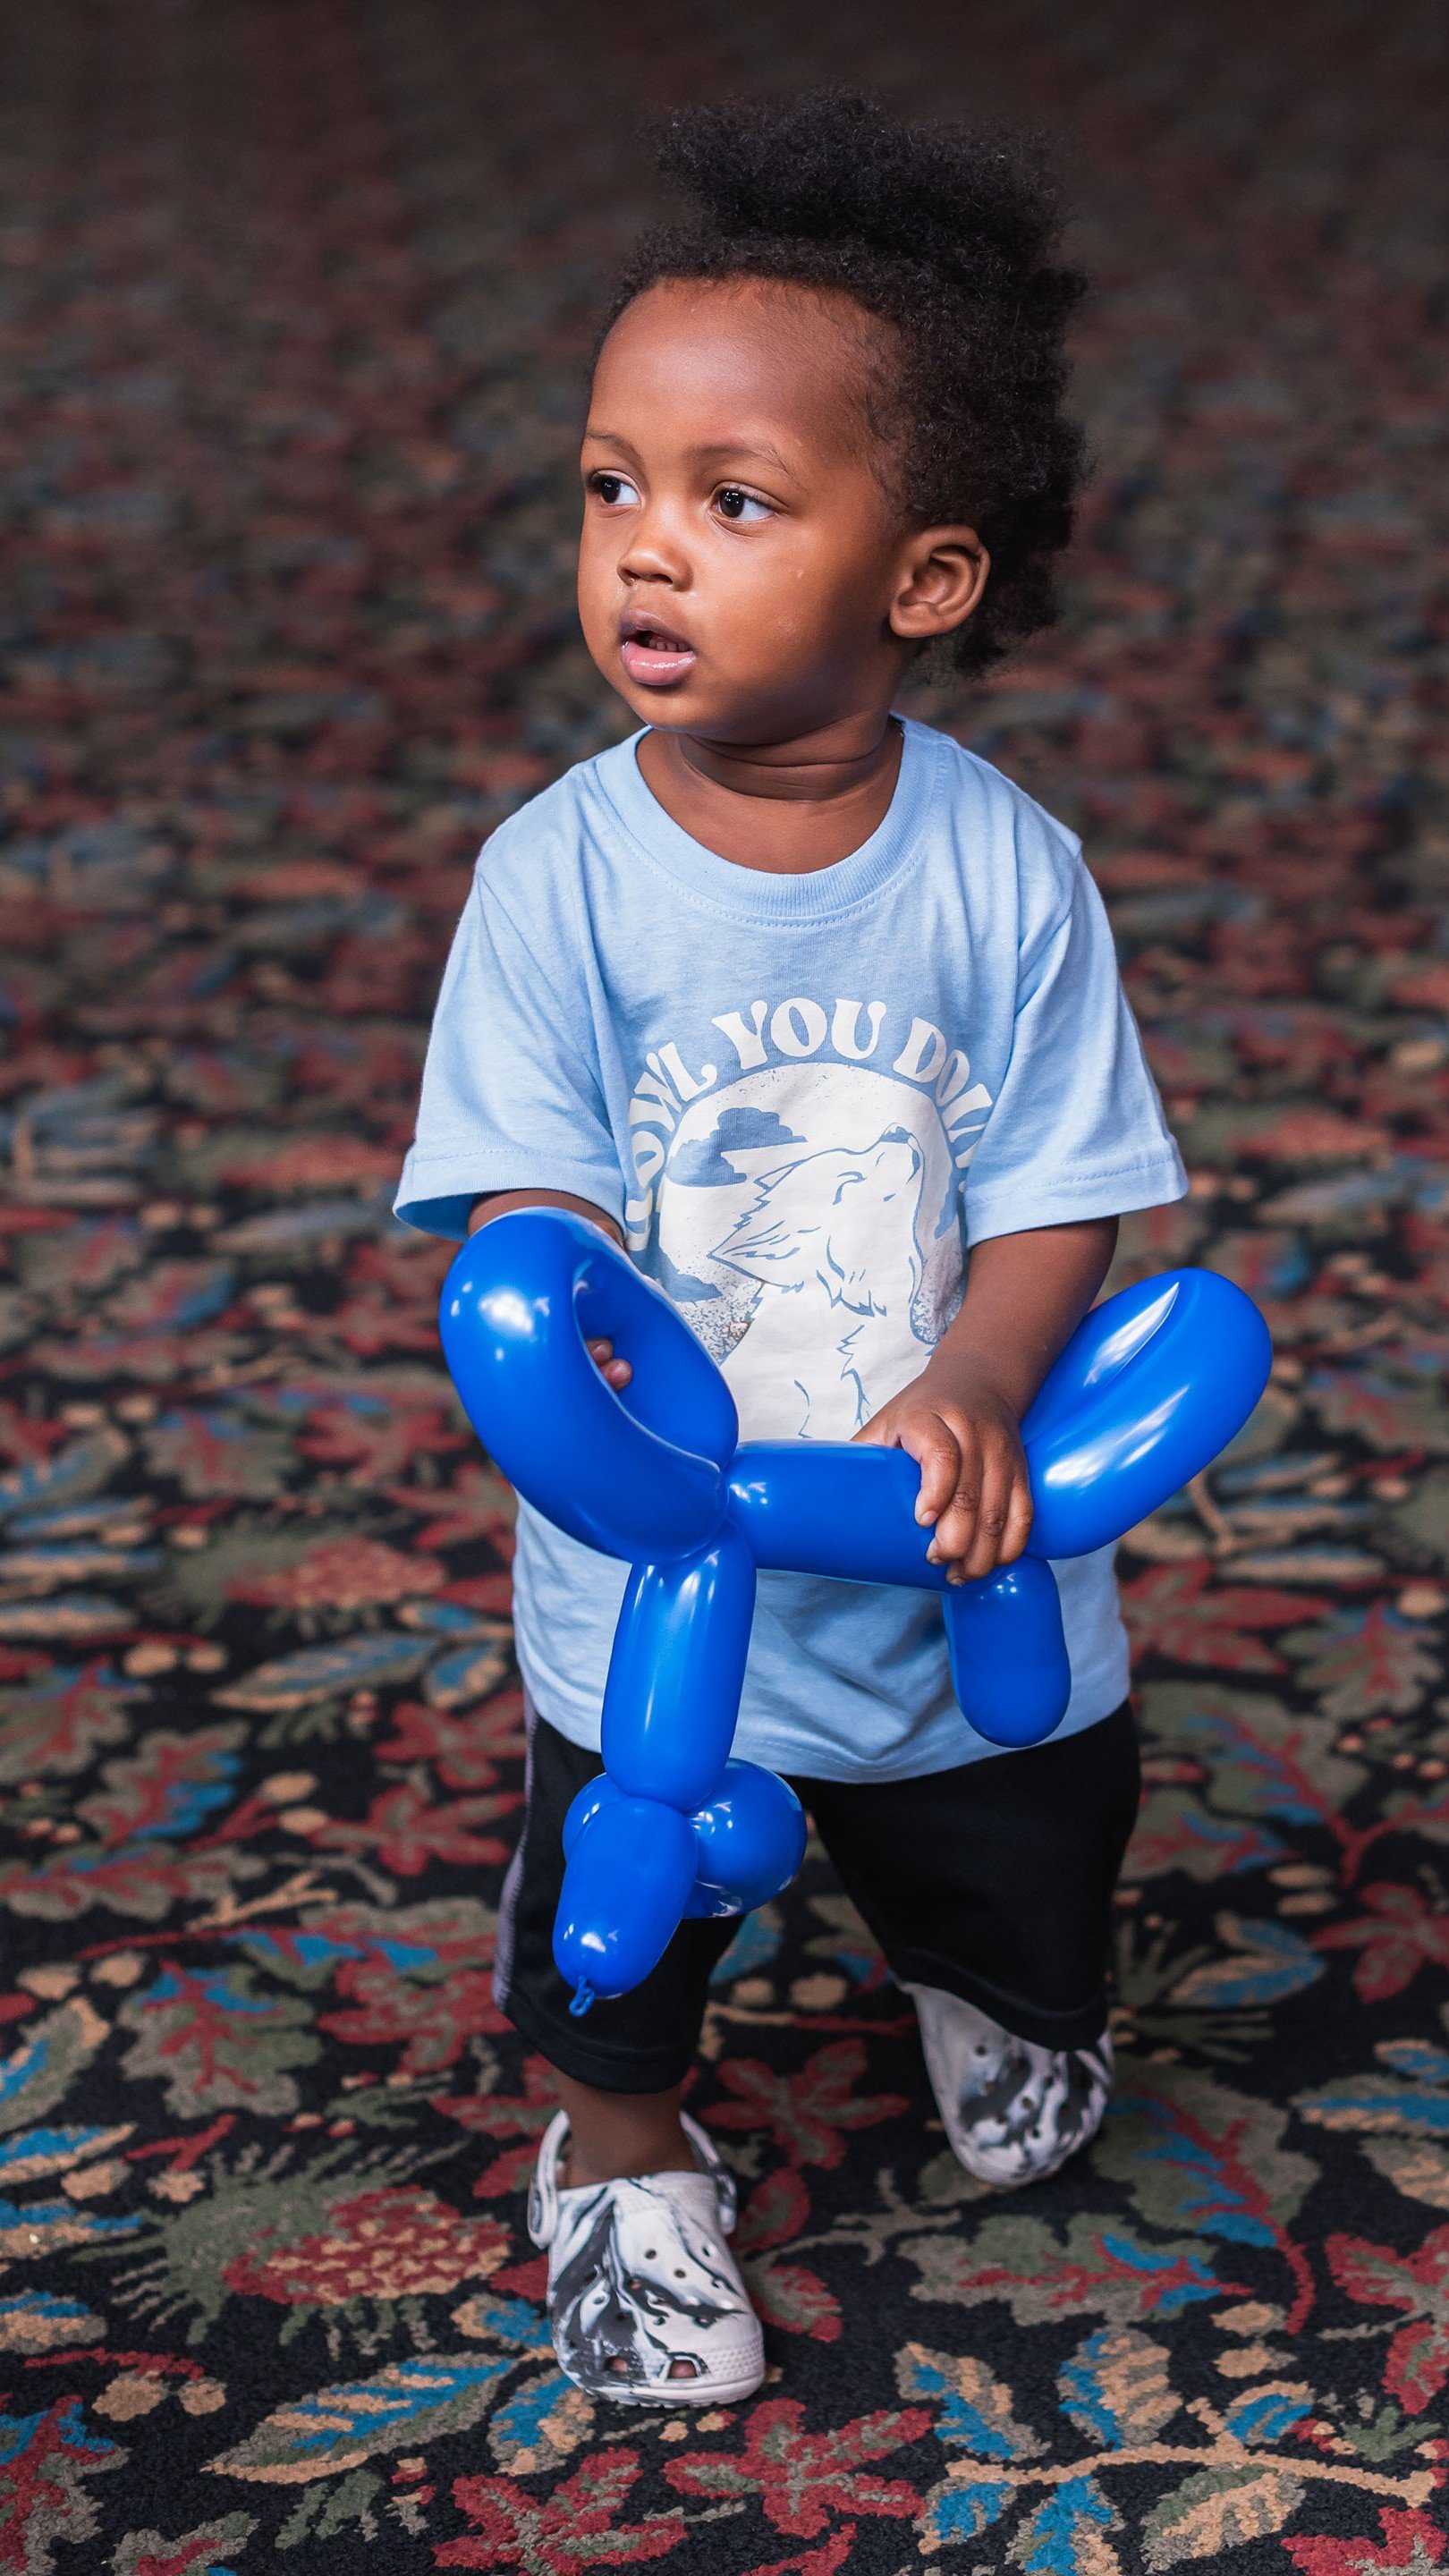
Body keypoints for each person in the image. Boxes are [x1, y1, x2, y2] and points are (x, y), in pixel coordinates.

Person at [395, 90, 1187, 2408]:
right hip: (659, 1576)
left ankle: (1003, 1994)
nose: (646, 550)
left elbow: (1066, 1186)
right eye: (610, 485)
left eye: (734, 504)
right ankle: (619, 2163)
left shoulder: (1001, 871)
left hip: (953, 1547)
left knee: (1019, 1852)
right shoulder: (555, 876)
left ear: (916, 579)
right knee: (610, 1935)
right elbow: (524, 1202)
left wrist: (969, 1381)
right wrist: (594, 1381)